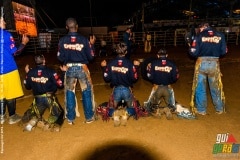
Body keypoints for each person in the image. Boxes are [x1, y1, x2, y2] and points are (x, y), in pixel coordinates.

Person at [57, 17, 96, 125]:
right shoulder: (84, 40)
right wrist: (92, 45)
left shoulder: (62, 40)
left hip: (69, 68)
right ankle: (89, 117)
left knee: (69, 93)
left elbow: (60, 58)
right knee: (86, 92)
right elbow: (91, 57)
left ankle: (70, 118)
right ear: (77, 26)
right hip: (82, 68)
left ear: (66, 27)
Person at [189, 22, 227, 116]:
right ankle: (219, 108)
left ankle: (201, 110)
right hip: (215, 63)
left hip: (202, 63)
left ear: (203, 27)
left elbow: (193, 53)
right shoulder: (220, 35)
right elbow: (223, 51)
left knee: (200, 87)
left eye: (200, 28)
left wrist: (190, 47)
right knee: (215, 87)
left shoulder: (199, 36)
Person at [100, 42, 140, 126]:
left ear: (116, 51)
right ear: (126, 52)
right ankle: (126, 113)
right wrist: (136, 67)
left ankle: (115, 114)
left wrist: (104, 67)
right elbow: (134, 78)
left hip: (116, 90)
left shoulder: (111, 63)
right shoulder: (129, 64)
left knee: (109, 108)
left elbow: (107, 78)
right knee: (134, 108)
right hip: (126, 90)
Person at [22, 54, 64, 132]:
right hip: (50, 98)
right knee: (60, 112)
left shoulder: (30, 72)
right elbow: (60, 84)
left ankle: (32, 121)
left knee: (35, 112)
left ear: (36, 62)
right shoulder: (51, 71)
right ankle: (51, 124)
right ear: (44, 60)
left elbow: (27, 87)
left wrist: (27, 74)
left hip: (37, 99)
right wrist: (63, 73)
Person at [0, 15, 29, 124]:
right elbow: (15, 52)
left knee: (1, 94)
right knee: (10, 93)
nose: (5, 23)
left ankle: (1, 116)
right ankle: (12, 116)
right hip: (8, 69)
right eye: (2, 20)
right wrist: (23, 43)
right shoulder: (5, 34)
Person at [144, 48, 179, 120]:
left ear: (158, 55)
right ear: (167, 55)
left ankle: (156, 109)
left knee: (150, 105)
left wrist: (154, 81)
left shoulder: (153, 63)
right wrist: (170, 82)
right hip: (167, 88)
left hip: (157, 88)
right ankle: (169, 108)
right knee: (172, 102)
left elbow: (149, 76)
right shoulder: (172, 64)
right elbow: (175, 77)